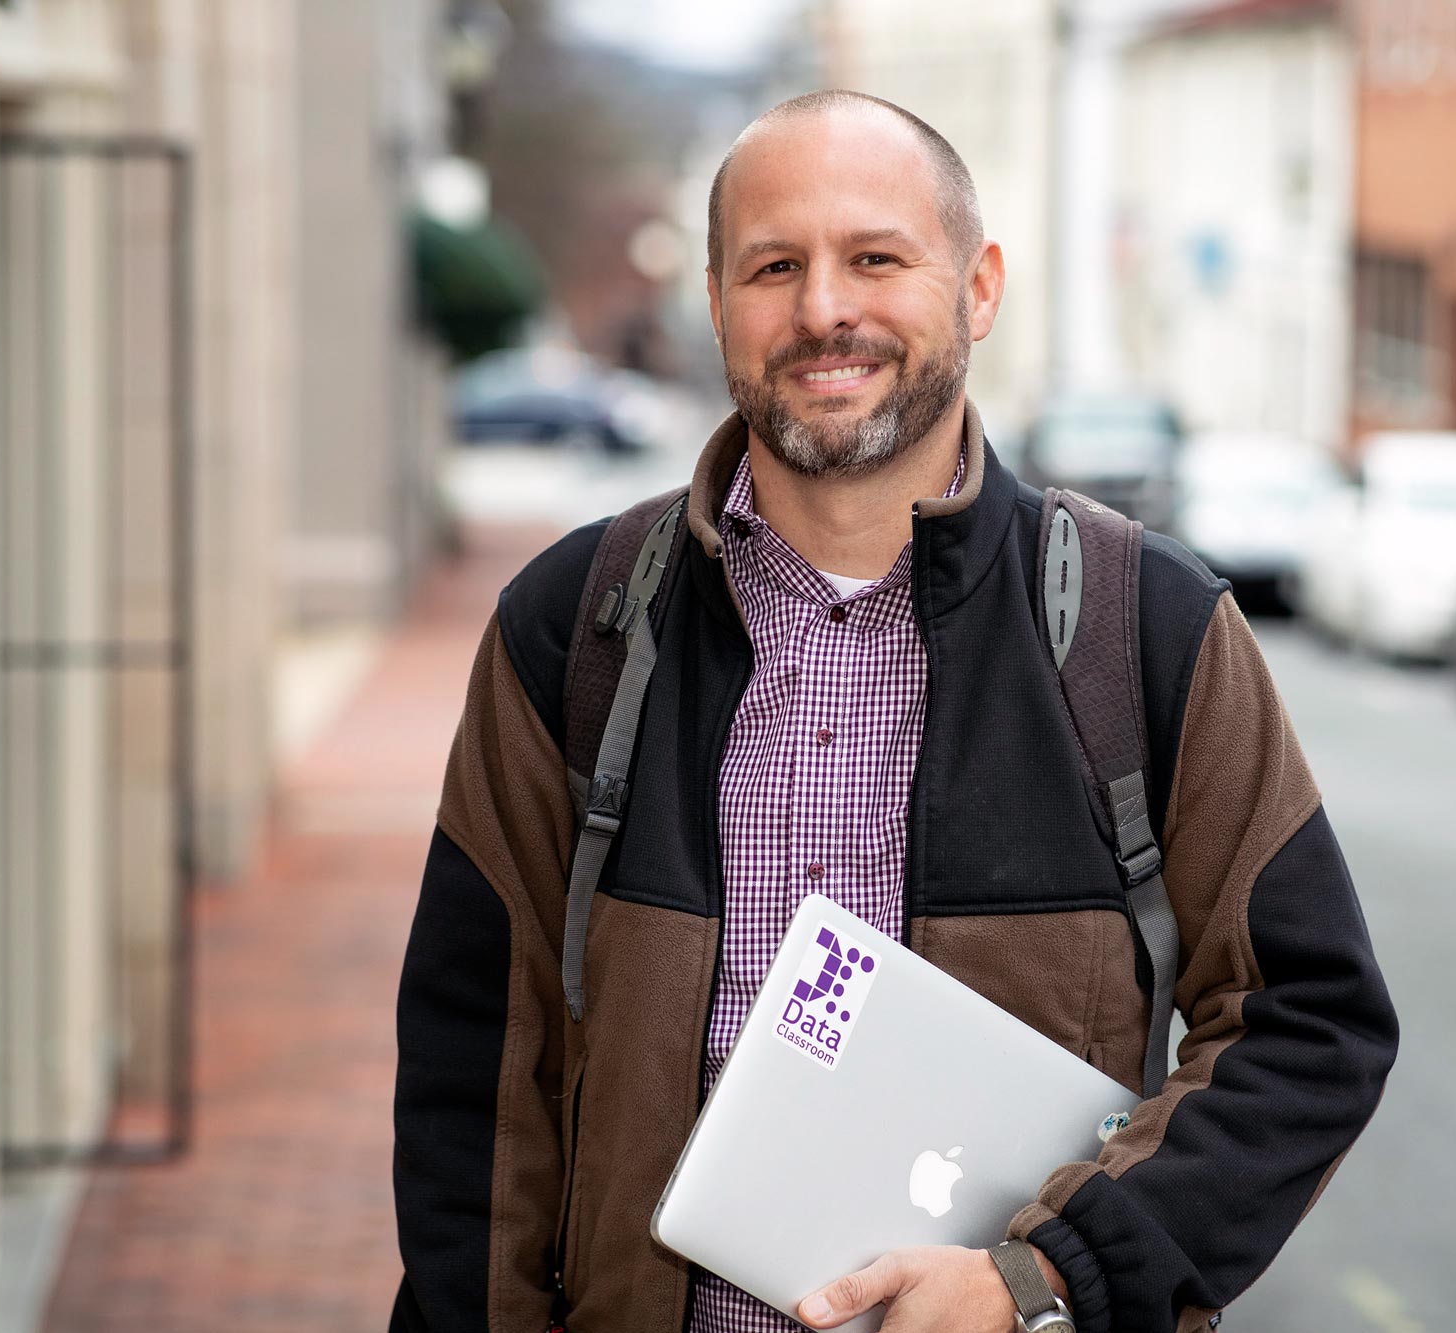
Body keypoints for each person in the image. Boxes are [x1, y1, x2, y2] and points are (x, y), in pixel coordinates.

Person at [389, 90, 1398, 1333]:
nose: (823, 310)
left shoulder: (1145, 629)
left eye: (875, 257)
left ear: (976, 288)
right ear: (714, 302)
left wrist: (1042, 1280)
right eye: (773, 266)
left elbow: (1309, 1027)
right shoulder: (577, 628)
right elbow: (471, 1081)